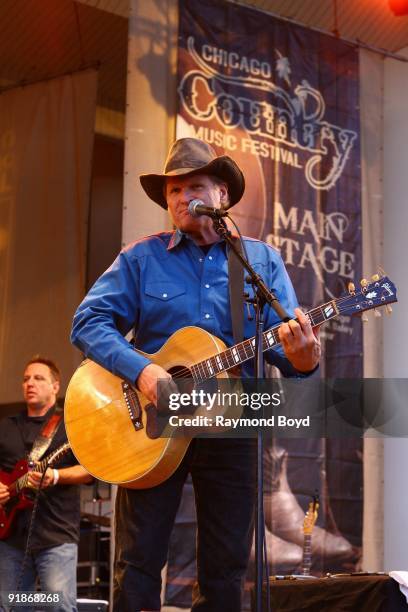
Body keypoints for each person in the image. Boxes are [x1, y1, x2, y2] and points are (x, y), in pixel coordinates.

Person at [71, 137, 321, 611]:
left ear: (222, 195)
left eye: (194, 187)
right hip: (151, 423)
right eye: (173, 191)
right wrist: (142, 371)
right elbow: (87, 322)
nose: (182, 198)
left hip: (234, 423)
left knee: (226, 566)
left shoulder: (260, 260)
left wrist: (305, 359)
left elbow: (292, 359)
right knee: (138, 561)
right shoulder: (142, 258)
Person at [0, 356, 93, 612]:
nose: (30, 383)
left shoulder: (70, 427)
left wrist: (56, 476)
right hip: (10, 538)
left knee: (59, 607)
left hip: (56, 534)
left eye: (38, 378)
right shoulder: (6, 427)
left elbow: (89, 470)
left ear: (55, 386)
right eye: (26, 379)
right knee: (13, 607)